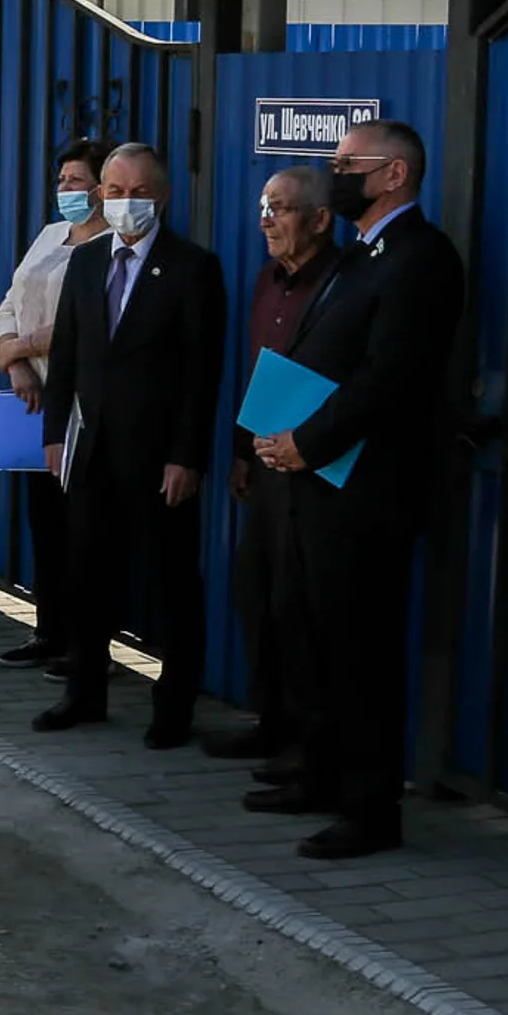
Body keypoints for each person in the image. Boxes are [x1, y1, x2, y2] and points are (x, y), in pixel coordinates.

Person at [247, 117, 468, 860]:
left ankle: (371, 809)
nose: (333, 174)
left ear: (394, 174)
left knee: (361, 651)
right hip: (315, 482)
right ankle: (318, 771)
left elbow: (390, 378)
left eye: (347, 163)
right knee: (311, 635)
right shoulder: (361, 254)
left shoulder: (420, 258)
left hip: (366, 486)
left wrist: (308, 442)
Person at [34, 142, 226, 750]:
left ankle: (173, 706)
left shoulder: (193, 268)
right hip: (92, 452)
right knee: (89, 575)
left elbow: (203, 373)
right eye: (114, 192)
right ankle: (84, 691)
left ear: (162, 197)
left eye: (137, 192)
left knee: (171, 583)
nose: (125, 203)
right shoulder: (87, 262)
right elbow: (66, 355)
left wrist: (186, 455)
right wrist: (56, 433)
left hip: (159, 458)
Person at [215, 165, 342, 780]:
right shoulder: (269, 279)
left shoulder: (342, 284)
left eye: (283, 208)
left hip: (312, 466)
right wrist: (242, 451)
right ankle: (270, 723)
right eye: (264, 205)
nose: (268, 218)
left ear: (320, 219)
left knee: (301, 609)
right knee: (256, 596)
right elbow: (257, 370)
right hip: (262, 462)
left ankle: (308, 742)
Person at [0, 138, 109, 672]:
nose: (66, 190)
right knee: (47, 526)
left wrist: (31, 345)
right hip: (33, 401)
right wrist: (12, 359)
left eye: (76, 181)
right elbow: (10, 303)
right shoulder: (50, 236)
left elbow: (90, 326)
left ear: (104, 189)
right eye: (61, 181)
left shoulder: (111, 249)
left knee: (87, 531)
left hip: (84, 405)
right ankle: (50, 631)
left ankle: (92, 645)